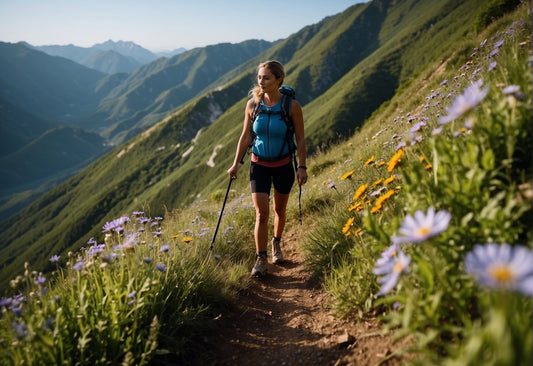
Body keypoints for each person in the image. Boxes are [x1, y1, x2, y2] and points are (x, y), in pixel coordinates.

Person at [228, 60, 307, 277]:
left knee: (279, 211)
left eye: (267, 78)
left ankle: (277, 243)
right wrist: (235, 164)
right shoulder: (253, 105)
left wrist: (302, 166)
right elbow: (245, 136)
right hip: (258, 164)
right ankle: (261, 258)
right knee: (261, 214)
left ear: (279, 80)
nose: (261, 81)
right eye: (260, 77)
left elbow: (300, 139)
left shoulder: (292, 106)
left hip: (283, 165)